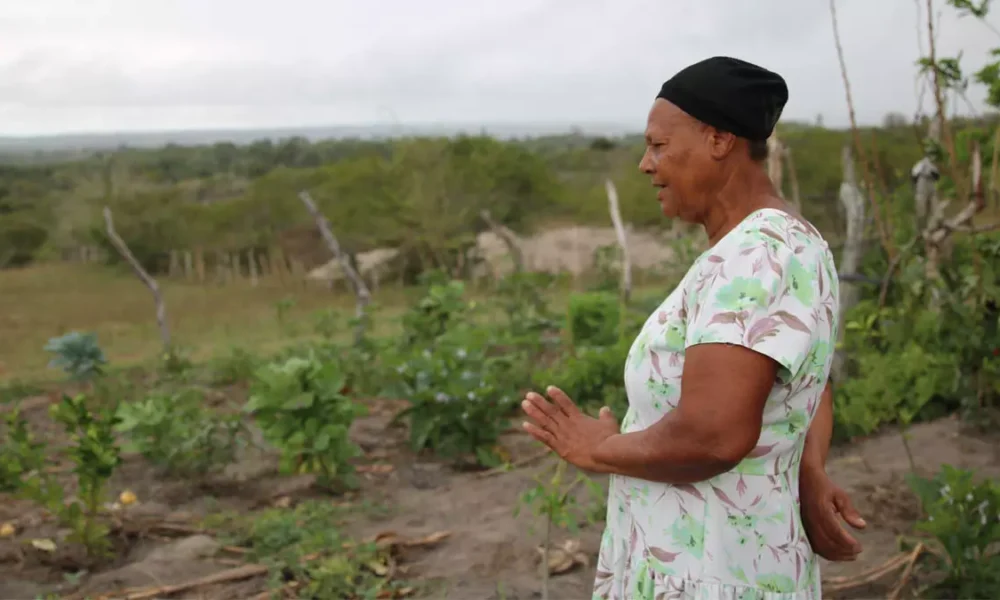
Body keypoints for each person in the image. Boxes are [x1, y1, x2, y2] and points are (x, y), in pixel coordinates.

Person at [520, 56, 866, 599]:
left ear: (719, 139)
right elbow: (805, 382)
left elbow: (714, 435)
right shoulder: (776, 244)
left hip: (710, 572)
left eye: (658, 145)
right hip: (717, 558)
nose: (645, 164)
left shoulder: (757, 256)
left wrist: (600, 448)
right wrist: (806, 467)